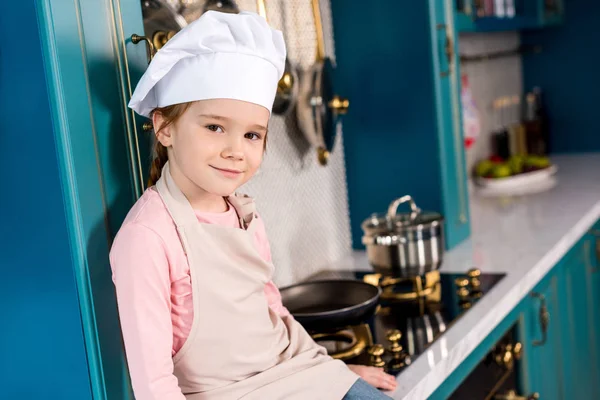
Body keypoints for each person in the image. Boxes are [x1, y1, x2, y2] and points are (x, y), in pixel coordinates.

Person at [110, 10, 397, 400]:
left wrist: (335, 372)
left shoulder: (244, 214)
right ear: (165, 127)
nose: (235, 151)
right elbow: (153, 383)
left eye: (251, 134)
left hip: (301, 377)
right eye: (214, 127)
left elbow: (273, 314)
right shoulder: (148, 236)